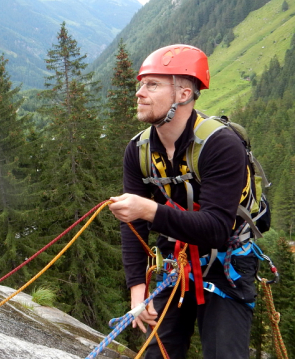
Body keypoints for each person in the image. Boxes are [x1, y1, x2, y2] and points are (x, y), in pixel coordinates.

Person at [108, 44, 257, 359]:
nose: (139, 92)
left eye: (153, 84)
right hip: (177, 262)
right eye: (141, 83)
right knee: (156, 354)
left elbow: (217, 227)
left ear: (184, 94)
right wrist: (138, 293)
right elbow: (132, 225)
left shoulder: (221, 145)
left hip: (227, 262)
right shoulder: (138, 151)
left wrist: (149, 209)